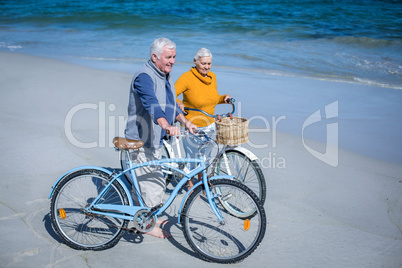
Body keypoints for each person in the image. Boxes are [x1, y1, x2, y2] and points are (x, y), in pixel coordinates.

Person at [125, 37, 196, 239]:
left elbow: (171, 106)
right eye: (168, 57)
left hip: (154, 138)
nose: (172, 61)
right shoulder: (144, 77)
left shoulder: (165, 75)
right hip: (140, 139)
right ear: (155, 56)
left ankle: (147, 215)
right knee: (152, 183)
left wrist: (186, 123)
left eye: (174, 57)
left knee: (152, 181)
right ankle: (144, 224)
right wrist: (166, 125)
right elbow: (152, 103)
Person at [175, 48, 231, 189]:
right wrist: (178, 102)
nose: (206, 67)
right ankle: (190, 187)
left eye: (209, 63)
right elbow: (170, 94)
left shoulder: (212, 77)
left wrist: (222, 99)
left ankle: (202, 185)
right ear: (195, 61)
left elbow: (210, 99)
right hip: (191, 125)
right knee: (192, 159)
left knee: (205, 158)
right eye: (203, 63)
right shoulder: (187, 77)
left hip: (210, 124)